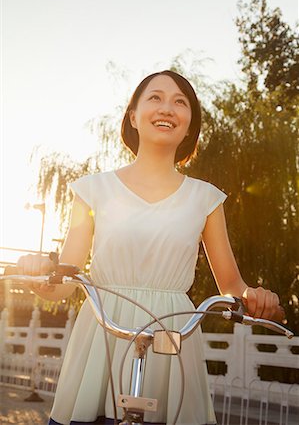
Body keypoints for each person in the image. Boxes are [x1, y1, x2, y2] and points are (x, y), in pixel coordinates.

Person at [17, 70, 283, 425]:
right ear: (133, 117)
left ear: (190, 126)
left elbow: (232, 289)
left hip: (173, 335)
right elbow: (66, 280)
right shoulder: (93, 190)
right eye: (155, 98)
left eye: (180, 102)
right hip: (102, 334)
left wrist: (258, 298)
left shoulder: (205, 198)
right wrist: (39, 275)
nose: (167, 108)